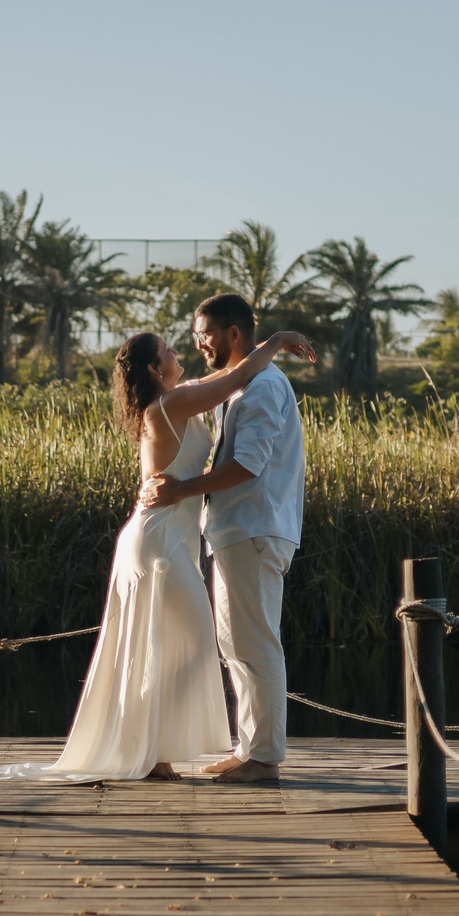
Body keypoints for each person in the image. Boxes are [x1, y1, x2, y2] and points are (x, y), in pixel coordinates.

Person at [0, 321, 316, 784]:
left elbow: (229, 378)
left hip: (169, 536)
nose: (182, 353)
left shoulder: (180, 396)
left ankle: (154, 752)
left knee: (174, 645)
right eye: (171, 351)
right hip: (159, 540)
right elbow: (238, 377)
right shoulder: (172, 403)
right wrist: (276, 341)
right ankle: (151, 752)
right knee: (190, 644)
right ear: (156, 370)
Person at [139, 293, 305, 785]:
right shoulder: (239, 386)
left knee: (255, 644)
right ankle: (250, 747)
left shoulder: (261, 389)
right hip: (236, 531)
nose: (198, 343)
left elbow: (248, 465)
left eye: (205, 333)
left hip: (255, 528)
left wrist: (184, 490)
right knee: (237, 643)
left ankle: (265, 757)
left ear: (234, 334)